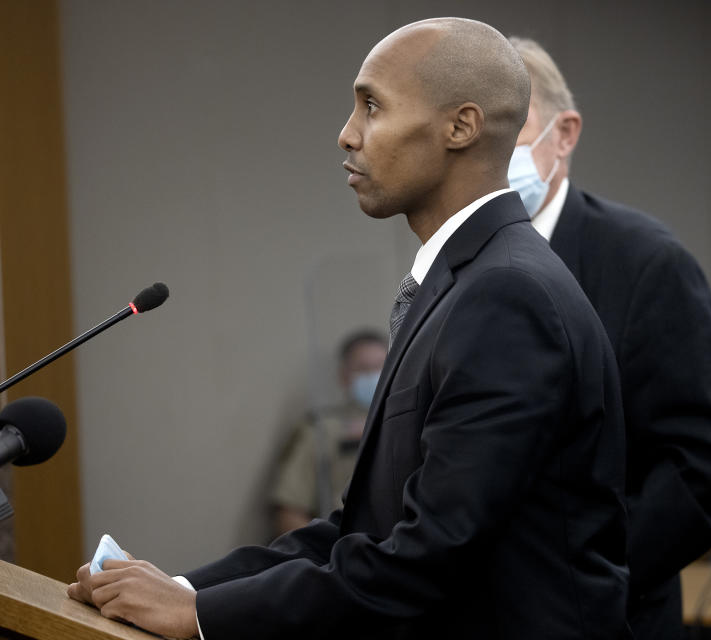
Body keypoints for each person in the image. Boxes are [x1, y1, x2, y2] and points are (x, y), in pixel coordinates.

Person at [69, 18, 630, 639]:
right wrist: (185, 590)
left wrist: (199, 617)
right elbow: (364, 529)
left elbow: (427, 557)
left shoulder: (506, 294)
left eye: (372, 106)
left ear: (460, 127)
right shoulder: (464, 283)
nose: (347, 134)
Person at [508, 37, 711, 639]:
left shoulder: (643, 262)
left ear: (563, 135)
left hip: (606, 617)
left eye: (508, 126)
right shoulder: (450, 267)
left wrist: (590, 571)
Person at [270, 329, 387, 535]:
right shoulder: (322, 430)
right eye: (363, 368)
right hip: (346, 550)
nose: (373, 376)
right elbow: (289, 511)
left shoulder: (416, 421)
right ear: (343, 376)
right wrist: (330, 558)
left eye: (380, 367)